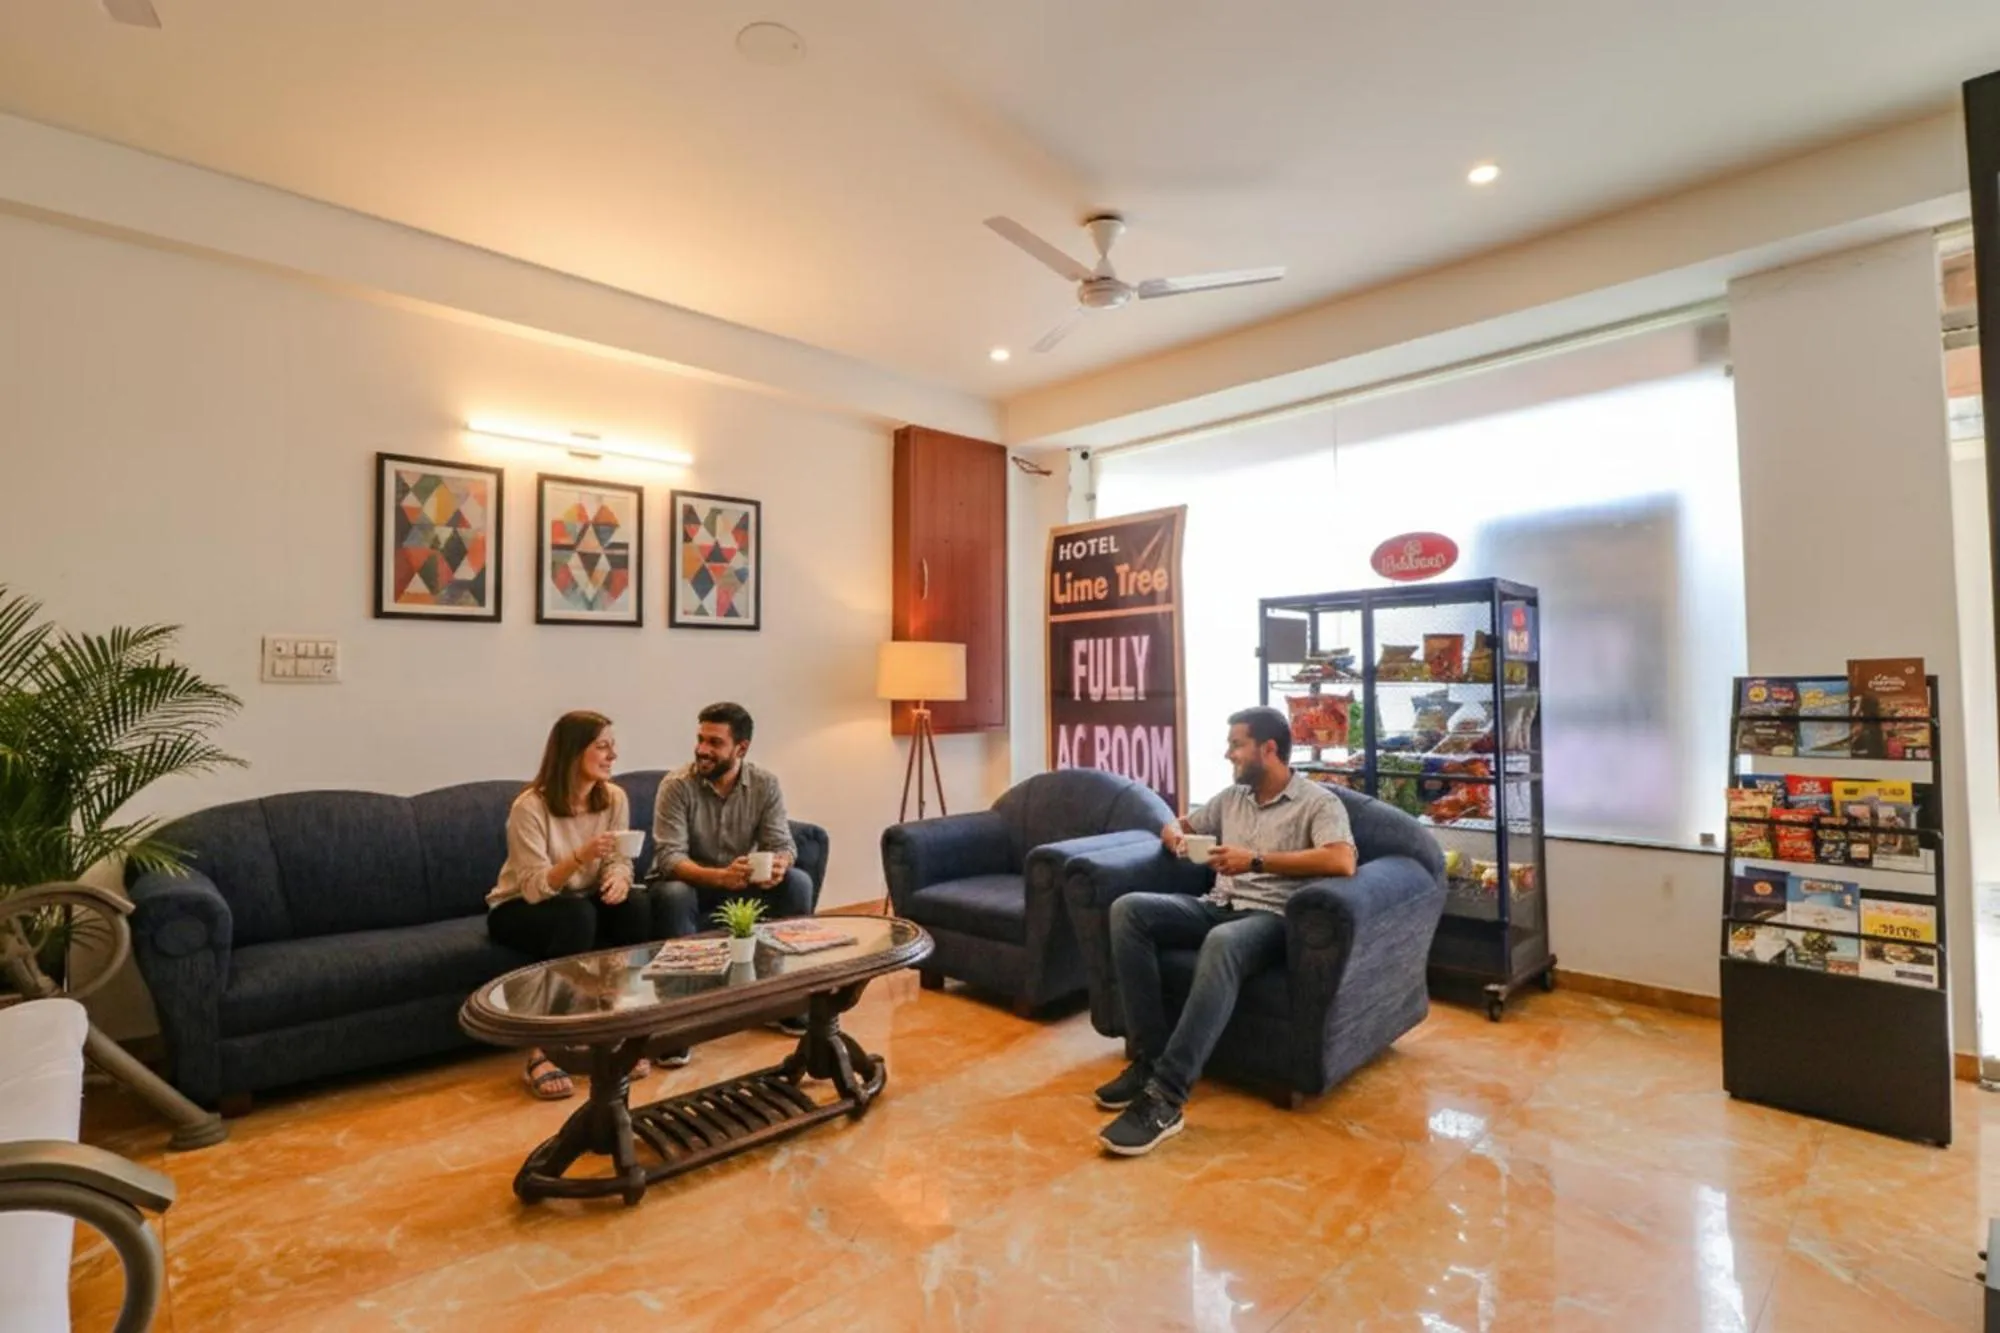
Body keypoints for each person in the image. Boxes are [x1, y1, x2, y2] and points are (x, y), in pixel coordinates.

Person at [1093, 705, 1357, 1156]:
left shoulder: (1318, 802)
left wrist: (1254, 860)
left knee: (1221, 942)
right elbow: (1180, 823)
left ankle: (1166, 1098)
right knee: (1128, 910)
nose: (1227, 754)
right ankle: (1148, 1060)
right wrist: (1175, 836)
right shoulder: (1233, 798)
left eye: (1237, 744)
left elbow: (1341, 860)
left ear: (1268, 749)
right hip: (1215, 905)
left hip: (1269, 919)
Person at [486, 710, 683, 1100]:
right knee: (577, 914)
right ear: (574, 752)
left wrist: (619, 879)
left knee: (636, 905)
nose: (613, 755)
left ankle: (621, 1031)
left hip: (582, 900)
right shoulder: (530, 807)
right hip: (518, 908)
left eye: (613, 746)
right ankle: (544, 1051)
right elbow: (533, 888)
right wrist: (581, 856)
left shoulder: (613, 798)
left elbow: (620, 858)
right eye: (602, 746)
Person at [650, 702, 812, 1033]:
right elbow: (669, 857)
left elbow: (783, 844)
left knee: (797, 883)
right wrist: (720, 878)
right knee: (673, 895)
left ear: (741, 748)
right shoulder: (677, 785)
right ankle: (679, 1020)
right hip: (689, 883)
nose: (702, 750)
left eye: (714, 742)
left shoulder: (764, 784)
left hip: (740, 883)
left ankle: (786, 1001)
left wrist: (780, 865)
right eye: (700, 739)